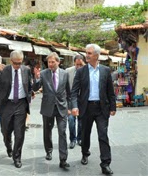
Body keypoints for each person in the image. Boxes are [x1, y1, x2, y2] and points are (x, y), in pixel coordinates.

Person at [71, 44, 116, 175]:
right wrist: (74, 106)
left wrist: (112, 107)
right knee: (85, 134)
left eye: (89, 53)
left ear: (96, 55)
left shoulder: (106, 71)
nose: (87, 55)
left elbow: (110, 91)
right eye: (86, 53)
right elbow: (74, 92)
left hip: (102, 109)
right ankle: (85, 153)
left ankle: (105, 163)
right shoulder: (81, 71)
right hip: (86, 108)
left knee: (103, 136)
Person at [32, 52, 71, 169]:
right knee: (47, 131)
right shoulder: (43, 74)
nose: (51, 64)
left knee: (62, 132)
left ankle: (63, 159)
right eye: (49, 62)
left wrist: (70, 107)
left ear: (58, 62)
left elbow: (68, 92)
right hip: (48, 107)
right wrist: (37, 78)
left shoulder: (65, 74)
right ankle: (48, 150)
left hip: (61, 108)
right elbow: (34, 88)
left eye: (53, 62)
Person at [0, 50, 33, 168]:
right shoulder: (4, 70)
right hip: (7, 104)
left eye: (20, 63)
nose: (18, 65)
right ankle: (8, 145)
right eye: (15, 63)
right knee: (6, 131)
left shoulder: (26, 70)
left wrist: (31, 92)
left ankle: (17, 157)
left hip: (21, 104)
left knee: (19, 132)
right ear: (10, 61)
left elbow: (29, 84)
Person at [66, 54, 85, 149]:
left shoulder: (87, 71)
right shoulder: (68, 71)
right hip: (70, 100)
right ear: (74, 63)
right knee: (71, 121)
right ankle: (72, 139)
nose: (78, 67)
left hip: (82, 101)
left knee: (81, 122)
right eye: (77, 64)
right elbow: (64, 88)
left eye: (80, 65)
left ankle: (80, 138)